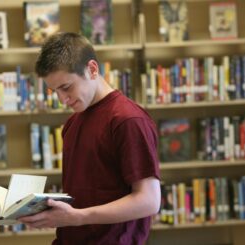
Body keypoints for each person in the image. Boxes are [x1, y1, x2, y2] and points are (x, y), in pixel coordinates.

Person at [18, 32, 161, 245]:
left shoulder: (128, 120)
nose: (62, 99)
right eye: (54, 91)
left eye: (66, 87)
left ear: (92, 69)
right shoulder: (73, 123)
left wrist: (78, 217)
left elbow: (149, 201)